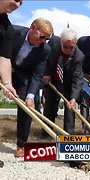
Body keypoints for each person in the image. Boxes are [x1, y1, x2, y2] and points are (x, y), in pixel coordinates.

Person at [11, 18, 53, 157]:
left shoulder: (45, 49)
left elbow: (38, 74)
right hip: (3, 67)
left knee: (26, 108)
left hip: (22, 76)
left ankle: (21, 145)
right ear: (32, 27)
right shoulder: (13, 31)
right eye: (41, 36)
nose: (43, 41)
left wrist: (30, 96)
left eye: (46, 39)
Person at [43, 29, 84, 136]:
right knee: (49, 107)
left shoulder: (79, 56)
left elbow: (77, 78)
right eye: (65, 46)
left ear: (75, 44)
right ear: (60, 41)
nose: (68, 49)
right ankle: (47, 132)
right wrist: (47, 74)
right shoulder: (53, 43)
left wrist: (74, 97)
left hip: (69, 84)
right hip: (53, 80)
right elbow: (46, 59)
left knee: (70, 107)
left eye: (71, 47)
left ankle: (68, 134)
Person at [0, 0, 22, 167]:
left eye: (21, 2)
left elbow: (4, 58)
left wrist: (7, 83)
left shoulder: (7, 28)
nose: (17, 4)